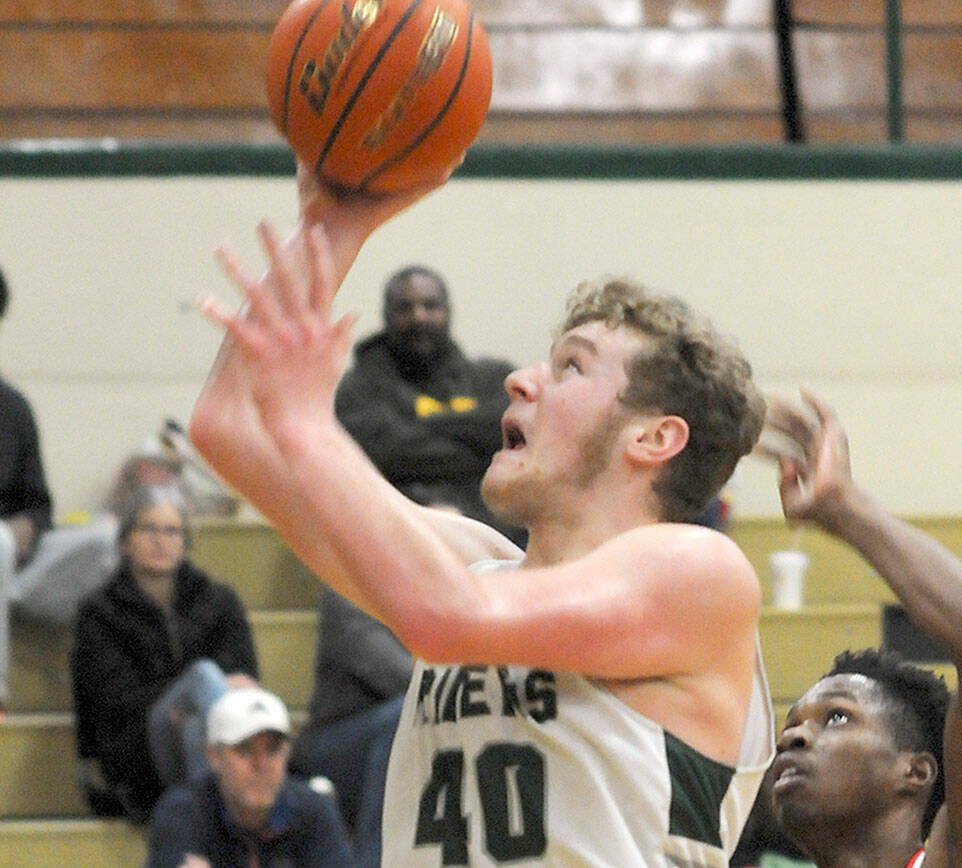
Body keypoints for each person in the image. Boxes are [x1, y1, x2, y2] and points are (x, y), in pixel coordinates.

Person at [187, 168, 774, 866]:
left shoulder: (697, 573)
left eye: (572, 368)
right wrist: (336, 222)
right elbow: (226, 428)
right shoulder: (472, 564)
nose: (520, 379)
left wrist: (309, 424)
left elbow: (445, 620)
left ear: (653, 438)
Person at [739, 390, 962, 868]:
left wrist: (845, 508)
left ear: (915, 771)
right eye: (790, 727)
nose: (791, 740)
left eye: (837, 717)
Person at [70, 482, 260, 822]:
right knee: (203, 676)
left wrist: (190, 709)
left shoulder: (219, 601)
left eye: (172, 531)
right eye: (149, 529)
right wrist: (182, 694)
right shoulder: (98, 612)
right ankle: (245, 798)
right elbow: (115, 702)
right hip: (137, 750)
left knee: (192, 730)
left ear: (186, 542)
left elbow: (246, 680)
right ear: (126, 539)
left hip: (198, 740)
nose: (161, 540)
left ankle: (215, 829)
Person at [0, 265, 118, 720]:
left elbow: (38, 504)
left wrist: (23, 530)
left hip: (13, 554)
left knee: (107, 537)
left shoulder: (13, 409)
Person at [335, 265, 524, 546]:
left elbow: (519, 450)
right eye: (405, 307)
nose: (419, 316)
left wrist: (422, 428)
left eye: (430, 305)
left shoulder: (494, 378)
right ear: (386, 314)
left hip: (495, 535)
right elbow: (385, 455)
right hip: (392, 539)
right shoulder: (359, 388)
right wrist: (478, 444)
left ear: (448, 310)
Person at [148, 684, 355, 868]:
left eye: (273, 750)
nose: (261, 764)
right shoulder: (182, 812)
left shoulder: (315, 810)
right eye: (244, 750)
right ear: (213, 756)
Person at [292, 585, 412, 866]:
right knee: (404, 715)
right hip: (332, 742)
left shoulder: (417, 590)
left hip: (381, 733)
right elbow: (392, 673)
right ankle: (373, 860)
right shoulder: (346, 589)